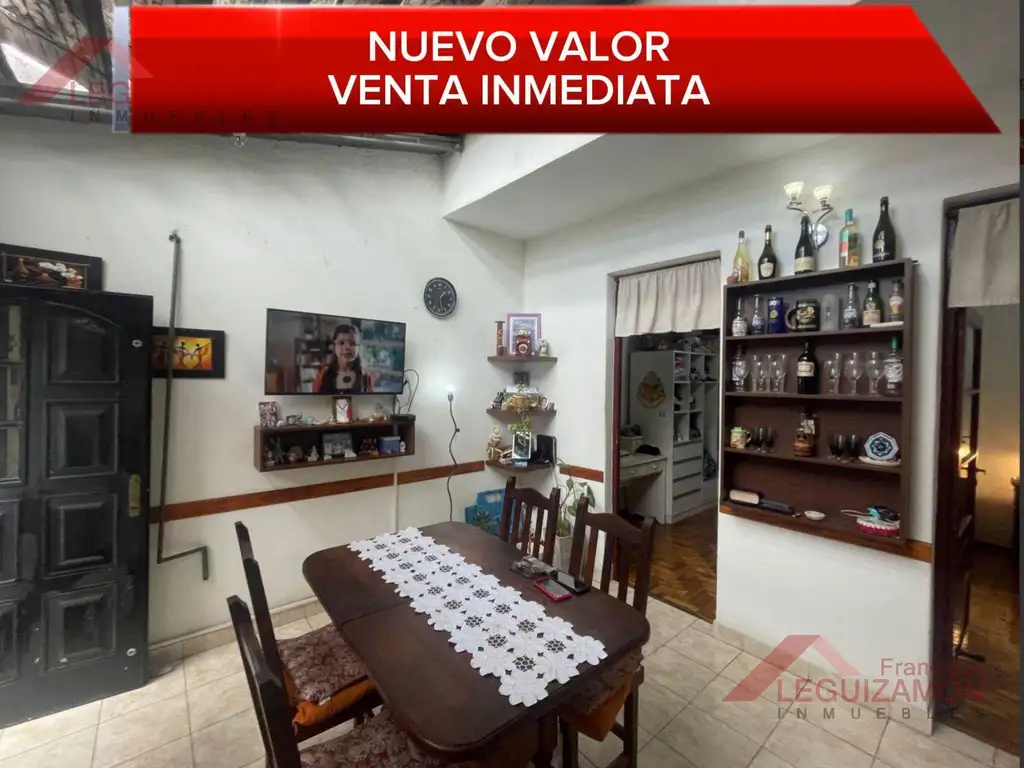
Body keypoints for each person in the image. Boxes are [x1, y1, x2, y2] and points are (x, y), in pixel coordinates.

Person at [313, 323, 373, 393]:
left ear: (358, 348)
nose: (347, 347)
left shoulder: (365, 377)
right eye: (341, 343)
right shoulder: (322, 376)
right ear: (334, 346)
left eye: (352, 343)